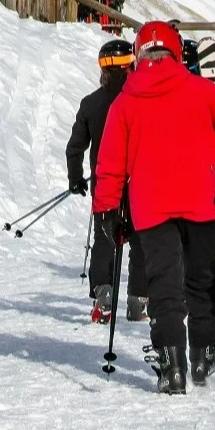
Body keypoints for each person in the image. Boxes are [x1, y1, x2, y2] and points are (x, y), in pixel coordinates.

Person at [92, 21, 215, 394]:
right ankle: (202, 353)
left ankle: (172, 365)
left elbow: (110, 164)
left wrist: (107, 210)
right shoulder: (204, 92)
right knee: (200, 279)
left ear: (139, 55)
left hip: (150, 207)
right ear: (177, 53)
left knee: (164, 284)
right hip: (201, 202)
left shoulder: (125, 103)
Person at [66, 38, 142, 321]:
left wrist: (76, 179)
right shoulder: (140, 101)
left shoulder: (90, 104)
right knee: (140, 240)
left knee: (104, 239)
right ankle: (138, 300)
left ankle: (104, 294)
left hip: (104, 181)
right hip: (137, 180)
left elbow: (75, 147)